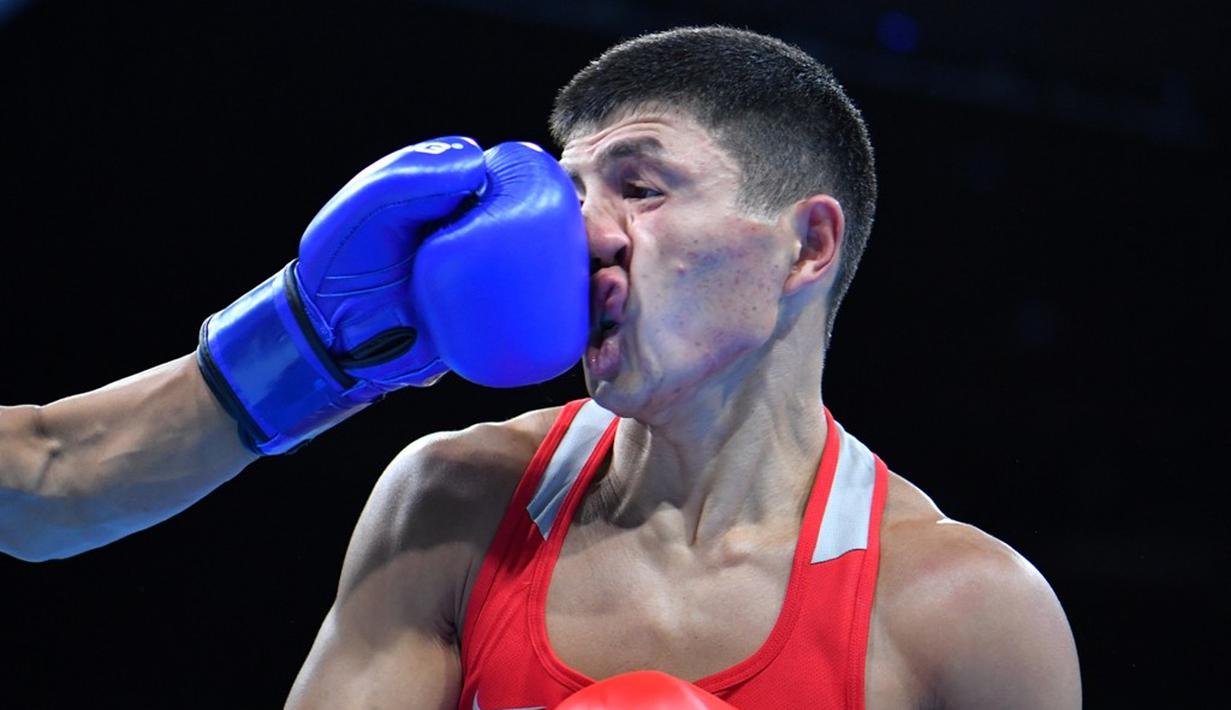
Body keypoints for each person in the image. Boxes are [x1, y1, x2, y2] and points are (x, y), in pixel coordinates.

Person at [2, 26, 1080, 709]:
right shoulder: (456, 504)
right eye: (570, 194)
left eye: (641, 188)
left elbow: (49, 473)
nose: (585, 234)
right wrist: (305, 344)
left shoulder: (963, 615)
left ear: (806, 246)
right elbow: (45, 479)